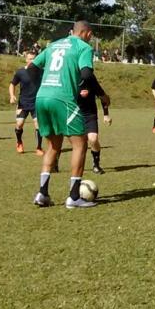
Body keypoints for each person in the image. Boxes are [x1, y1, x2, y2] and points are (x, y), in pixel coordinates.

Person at [28, 20, 104, 209]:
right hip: (64, 99)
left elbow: (31, 70)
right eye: (90, 35)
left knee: (53, 145)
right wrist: (93, 92)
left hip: (42, 97)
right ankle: (73, 196)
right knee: (80, 144)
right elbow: (87, 75)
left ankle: (42, 194)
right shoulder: (84, 47)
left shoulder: (53, 45)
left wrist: (45, 85)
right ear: (86, 33)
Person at [9, 51, 44, 155]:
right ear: (26, 59)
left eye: (34, 58)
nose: (32, 60)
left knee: (38, 125)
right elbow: (12, 84)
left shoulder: (41, 72)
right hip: (23, 103)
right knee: (19, 124)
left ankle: (39, 148)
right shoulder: (20, 72)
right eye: (30, 58)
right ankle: (19, 142)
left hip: (36, 103)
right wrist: (12, 95)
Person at [78, 74, 111, 175]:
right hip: (74, 114)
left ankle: (96, 165)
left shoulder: (90, 79)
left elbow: (103, 97)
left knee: (93, 139)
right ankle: (55, 162)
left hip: (90, 114)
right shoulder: (70, 77)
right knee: (77, 143)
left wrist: (106, 115)